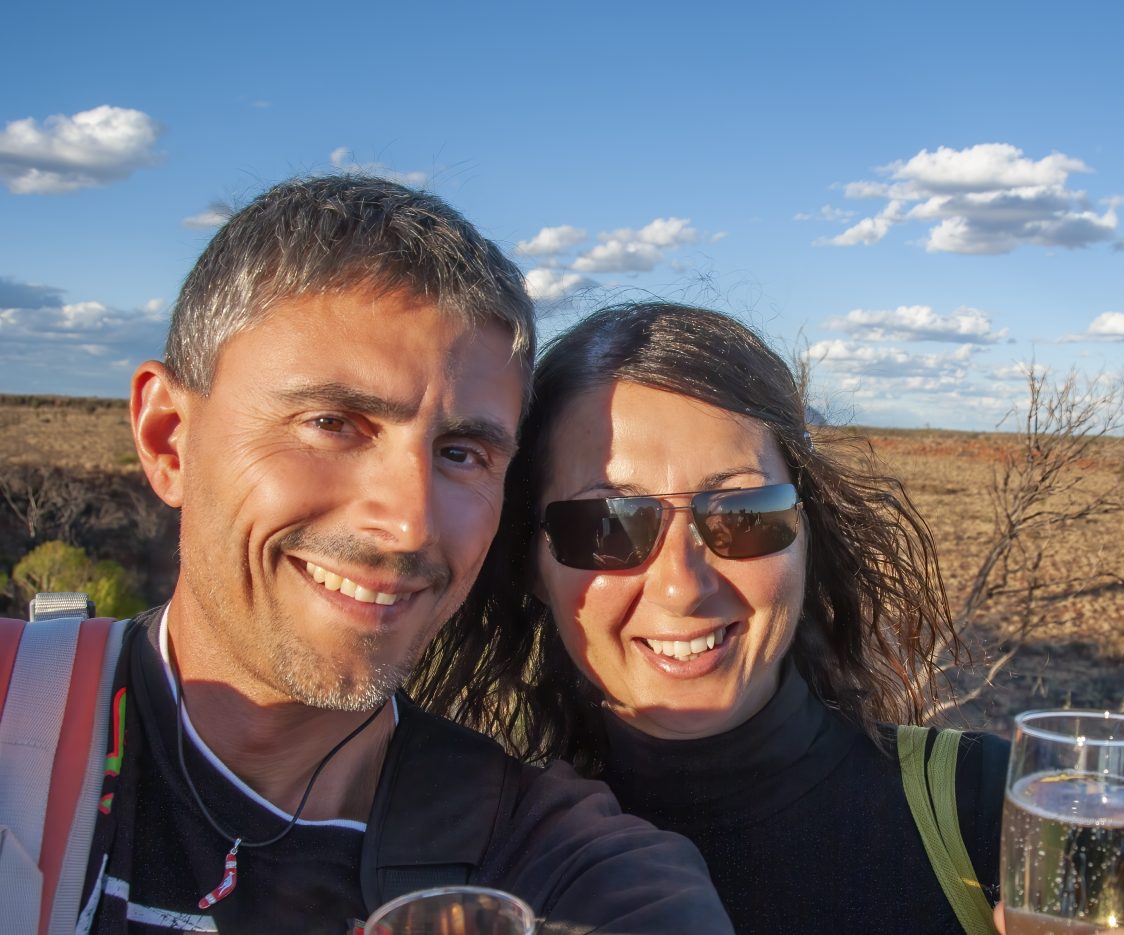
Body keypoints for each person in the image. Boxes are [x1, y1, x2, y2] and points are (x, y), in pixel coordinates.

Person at [417, 301, 1124, 934]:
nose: (683, 585)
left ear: (808, 537)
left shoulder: (990, 814)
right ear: (529, 561)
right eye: (608, 524)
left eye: (744, 516)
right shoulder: (478, 869)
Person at [60, 179, 731, 933]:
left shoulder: (559, 866)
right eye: (333, 422)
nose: (410, 524)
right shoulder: (28, 723)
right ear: (168, 438)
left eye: (460, 452)